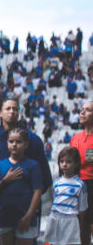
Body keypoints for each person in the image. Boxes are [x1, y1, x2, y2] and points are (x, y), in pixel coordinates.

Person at [0, 128, 43, 245]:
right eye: (11, 141)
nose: (14, 144)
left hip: (25, 217)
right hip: (4, 217)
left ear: (26, 144)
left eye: (18, 142)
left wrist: (28, 216)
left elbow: (37, 191)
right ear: (7, 143)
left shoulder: (32, 165)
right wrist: (5, 181)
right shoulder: (0, 165)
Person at [0, 95, 53, 194]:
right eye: (8, 108)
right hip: (2, 206)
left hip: (27, 205)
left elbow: (45, 177)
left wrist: (28, 199)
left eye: (15, 109)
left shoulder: (33, 139)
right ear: (0, 113)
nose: (12, 111)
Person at [44, 147, 88, 245]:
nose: (64, 164)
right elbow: (55, 200)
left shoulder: (80, 184)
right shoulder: (56, 183)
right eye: (62, 161)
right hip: (55, 218)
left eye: (68, 161)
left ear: (76, 164)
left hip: (71, 220)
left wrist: (80, 225)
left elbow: (82, 208)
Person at [69, 101, 93, 245]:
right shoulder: (75, 138)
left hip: (92, 185)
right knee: (81, 227)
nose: (82, 112)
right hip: (77, 185)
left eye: (88, 110)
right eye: (82, 109)